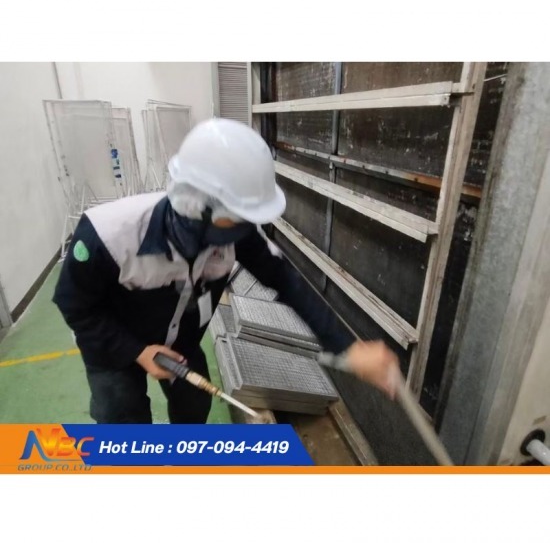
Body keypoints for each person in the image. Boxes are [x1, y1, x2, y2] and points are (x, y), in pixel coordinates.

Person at [53, 118, 401, 424]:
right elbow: (76, 308)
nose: (243, 229)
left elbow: (285, 280)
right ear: (194, 205)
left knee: (193, 406)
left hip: (180, 339)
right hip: (113, 340)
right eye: (235, 216)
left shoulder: (233, 230)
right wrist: (137, 352)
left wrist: (347, 348)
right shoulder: (107, 236)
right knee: (121, 419)